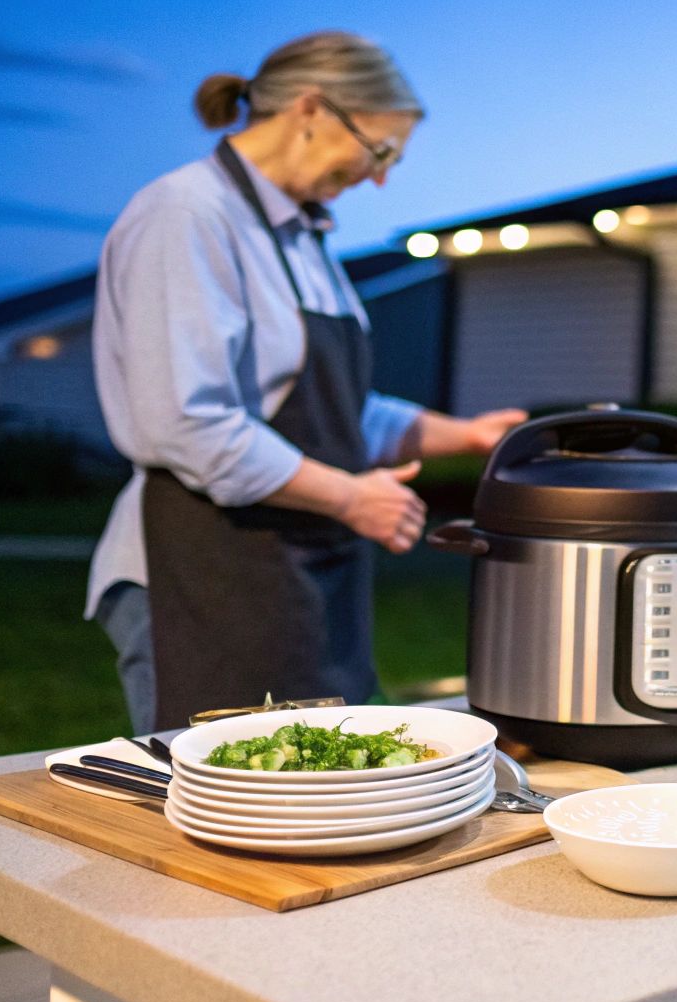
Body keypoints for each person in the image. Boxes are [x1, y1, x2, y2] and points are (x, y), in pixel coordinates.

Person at [86, 31, 526, 732]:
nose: (379, 177)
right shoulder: (188, 215)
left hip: (300, 576)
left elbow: (342, 412)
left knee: (315, 802)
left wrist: (470, 436)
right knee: (221, 808)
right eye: (379, 151)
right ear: (313, 109)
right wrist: (351, 497)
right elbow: (186, 421)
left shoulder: (305, 239)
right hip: (198, 576)